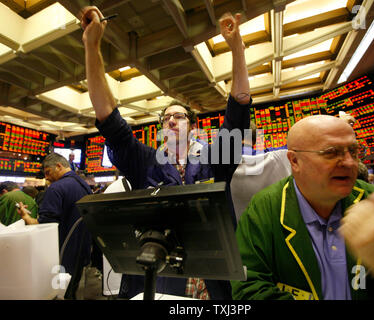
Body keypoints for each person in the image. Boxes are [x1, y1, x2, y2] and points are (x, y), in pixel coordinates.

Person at [81, 7, 251, 300]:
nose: (171, 120)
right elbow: (109, 119)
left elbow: (237, 114)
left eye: (180, 116)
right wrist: (92, 46)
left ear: (194, 128)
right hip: (161, 282)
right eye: (166, 118)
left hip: (213, 283)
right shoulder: (145, 161)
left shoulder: (214, 158)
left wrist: (236, 49)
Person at [232, 115, 374, 300]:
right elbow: (247, 288)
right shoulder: (263, 209)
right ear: (294, 161)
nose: (350, 162)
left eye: (354, 151)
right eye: (331, 152)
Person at [17, 153, 92, 278]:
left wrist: (26, 217)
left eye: (48, 172)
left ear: (58, 166)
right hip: (83, 250)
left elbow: (45, 226)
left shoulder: (56, 188)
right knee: (73, 290)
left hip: (62, 253)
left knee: (59, 292)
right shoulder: (85, 186)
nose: (47, 178)